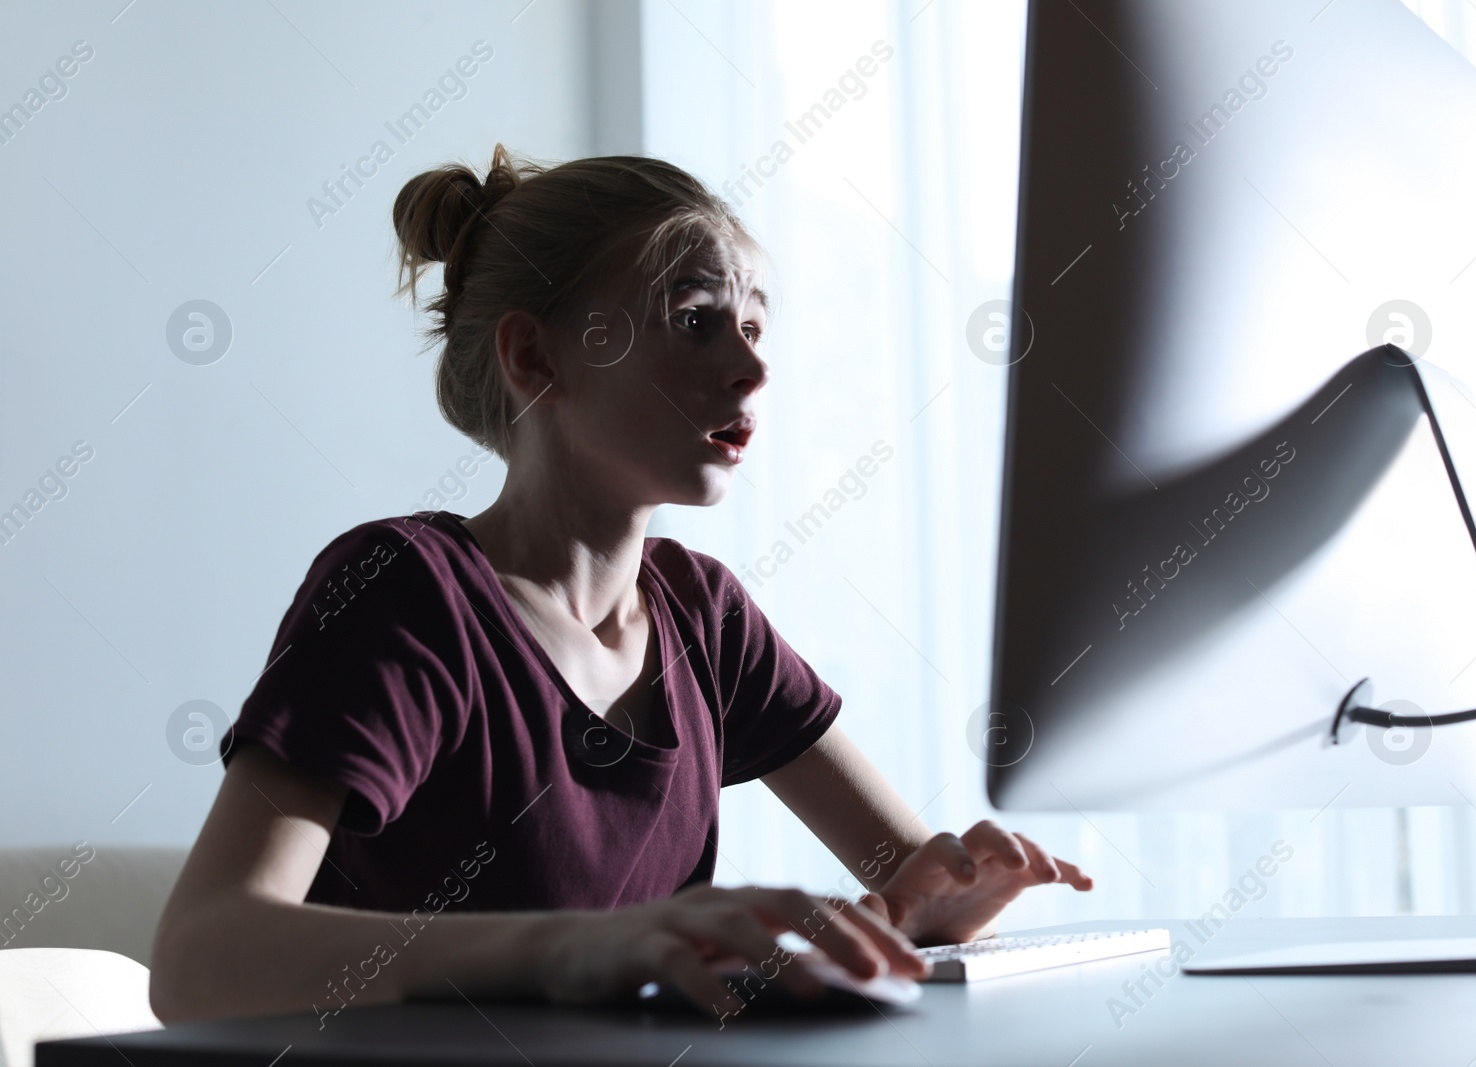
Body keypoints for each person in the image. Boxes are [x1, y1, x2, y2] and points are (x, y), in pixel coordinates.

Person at [149, 145, 1091, 1025]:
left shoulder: (707, 616)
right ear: (536, 358)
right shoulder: (404, 595)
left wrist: (936, 908)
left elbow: (907, 886)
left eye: (755, 325)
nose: (753, 367)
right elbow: (197, 960)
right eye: (694, 321)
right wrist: (584, 946)